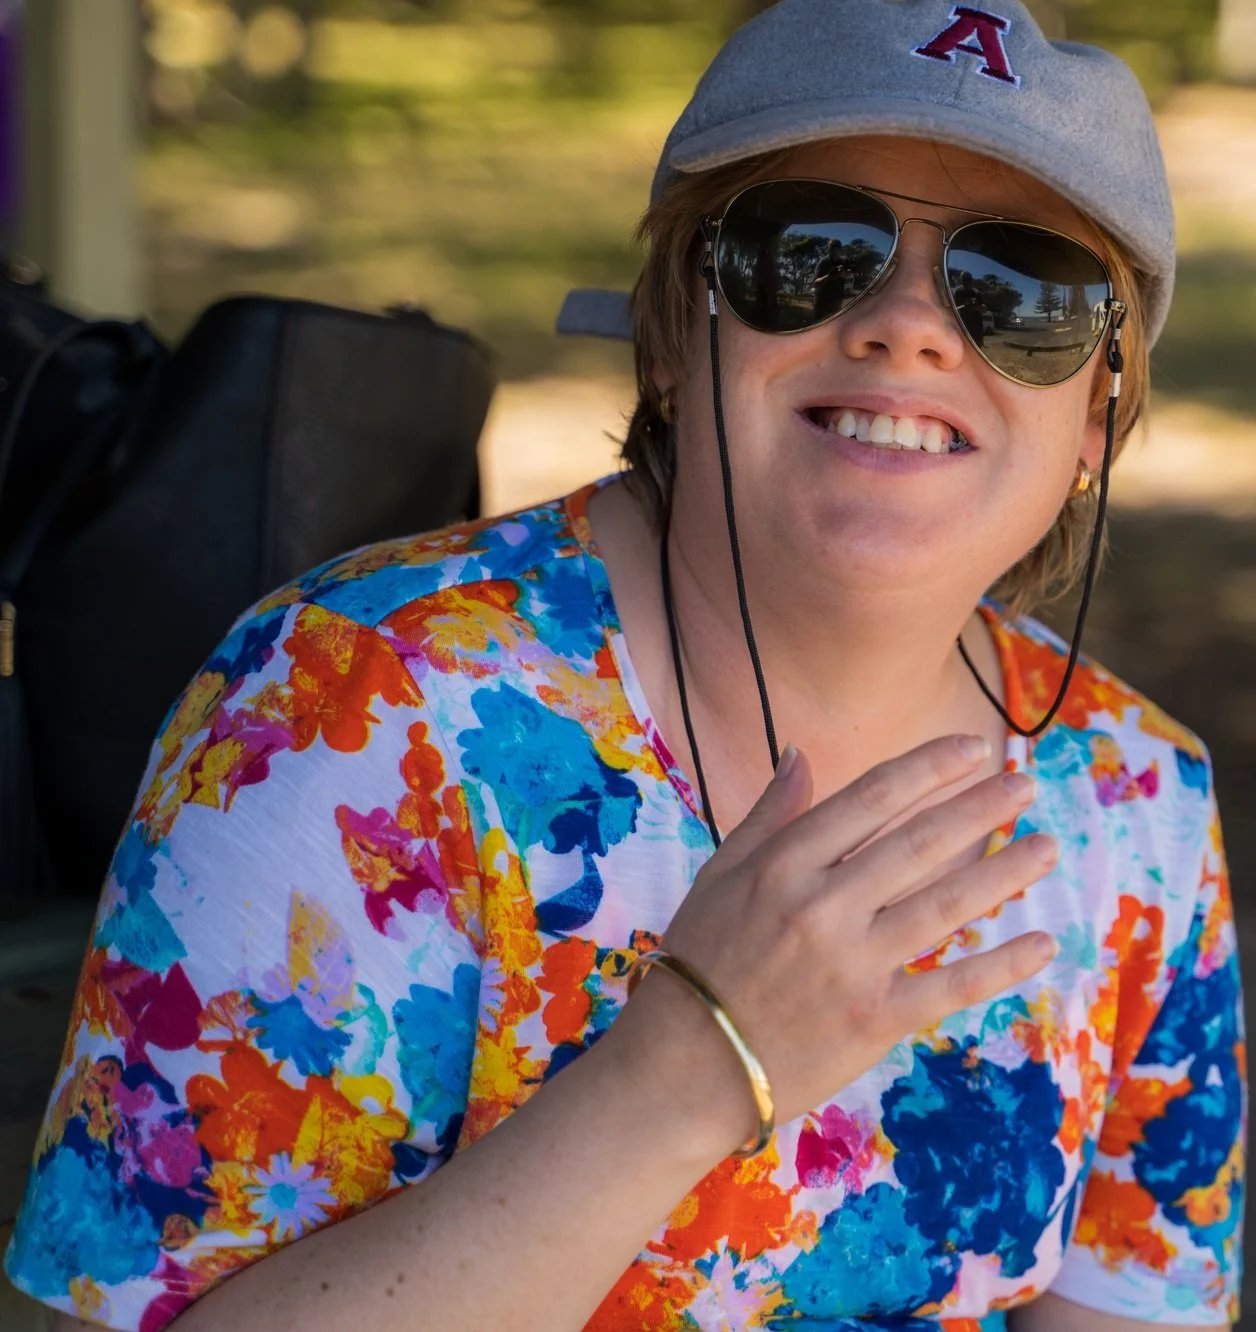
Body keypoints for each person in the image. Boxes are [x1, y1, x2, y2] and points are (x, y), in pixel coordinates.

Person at [5, 1, 1246, 1328]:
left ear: (1096, 420)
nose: (911, 327)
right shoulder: (358, 709)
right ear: (670, 332)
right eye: (812, 249)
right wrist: (692, 1070)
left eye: (1024, 293)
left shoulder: (1134, 807)